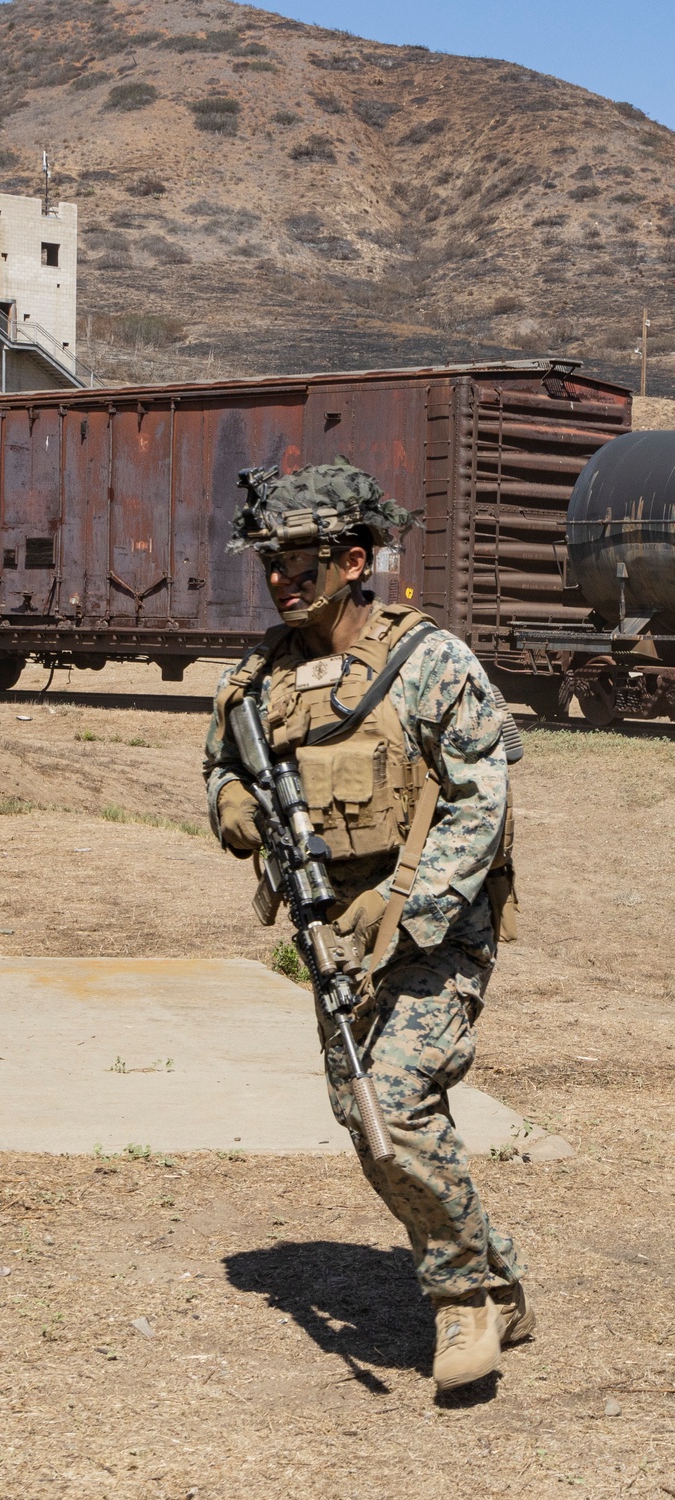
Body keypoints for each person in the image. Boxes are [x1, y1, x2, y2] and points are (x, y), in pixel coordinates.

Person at [203, 457, 533, 1392]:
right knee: (363, 1112)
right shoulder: (261, 676)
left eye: (299, 558)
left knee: (394, 1099)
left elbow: (482, 803)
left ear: (354, 559)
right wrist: (227, 800)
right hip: (332, 933)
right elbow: (224, 762)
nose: (279, 577)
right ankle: (498, 1273)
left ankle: (463, 1302)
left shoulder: (429, 662)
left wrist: (414, 906)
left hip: (438, 929)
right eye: (269, 559)